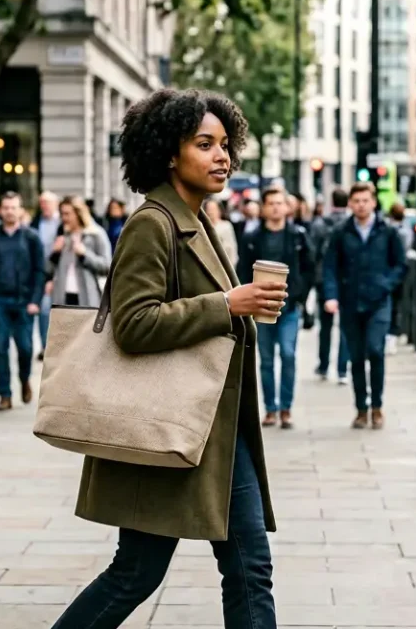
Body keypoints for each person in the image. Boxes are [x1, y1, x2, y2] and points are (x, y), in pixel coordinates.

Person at [52, 88, 286, 629]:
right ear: (168, 153)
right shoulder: (152, 223)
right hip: (171, 426)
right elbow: (133, 324)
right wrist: (228, 303)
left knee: (250, 569)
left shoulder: (195, 218)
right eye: (205, 144)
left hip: (217, 433)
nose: (222, 156)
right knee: (135, 572)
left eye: (226, 144)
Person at [322, 182, 407, 430]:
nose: (361, 205)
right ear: (350, 203)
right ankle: (361, 408)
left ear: (373, 202)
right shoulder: (341, 232)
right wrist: (331, 295)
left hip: (378, 301)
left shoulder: (387, 231)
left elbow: (400, 264)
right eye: (356, 200)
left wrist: (386, 284)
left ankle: (377, 406)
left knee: (375, 350)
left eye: (365, 200)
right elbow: (330, 267)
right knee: (356, 357)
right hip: (350, 302)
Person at [238, 187, 314, 429]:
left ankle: (286, 408)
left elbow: (310, 267)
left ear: (287, 207)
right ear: (263, 208)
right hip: (261, 308)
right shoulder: (252, 238)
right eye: (270, 203)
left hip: (289, 306)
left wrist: (300, 294)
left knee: (289, 355)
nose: (275, 207)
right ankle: (270, 408)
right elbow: (242, 270)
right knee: (267, 359)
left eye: (279, 203)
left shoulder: (297, 235)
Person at [0, 191, 45, 412]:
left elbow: (39, 271)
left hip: (24, 301)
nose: (9, 211)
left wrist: (35, 299)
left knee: (25, 348)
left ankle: (24, 379)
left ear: (20, 210)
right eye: (6, 207)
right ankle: (4, 393)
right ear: (0, 210)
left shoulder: (31, 238)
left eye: (14, 207)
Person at [309, 189, 351, 384]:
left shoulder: (320, 224)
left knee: (324, 326)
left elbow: (312, 253)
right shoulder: (349, 225)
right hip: (346, 280)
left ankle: (324, 365)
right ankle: (343, 368)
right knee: (345, 327)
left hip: (323, 280)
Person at [46, 195, 111, 308]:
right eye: (62, 214)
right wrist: (55, 252)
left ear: (79, 213)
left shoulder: (96, 234)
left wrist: (84, 254)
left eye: (67, 214)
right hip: (62, 298)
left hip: (88, 298)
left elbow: (107, 266)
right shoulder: (62, 234)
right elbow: (48, 269)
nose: (64, 218)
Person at [32, 191, 63, 359]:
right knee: (44, 311)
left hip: (58, 274)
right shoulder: (36, 223)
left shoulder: (63, 223)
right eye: (42, 202)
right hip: (41, 274)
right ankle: (46, 346)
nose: (44, 206)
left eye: (47, 202)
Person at [385, 203, 416, 354]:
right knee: (396, 306)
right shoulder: (405, 230)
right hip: (398, 272)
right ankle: (392, 337)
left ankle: (388, 336)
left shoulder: (386, 229)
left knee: (387, 304)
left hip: (386, 272)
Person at [204, 197, 238, 268]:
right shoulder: (203, 226)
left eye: (213, 209)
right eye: (208, 209)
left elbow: (231, 248)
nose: (210, 212)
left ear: (219, 210)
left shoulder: (226, 226)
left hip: (223, 264)